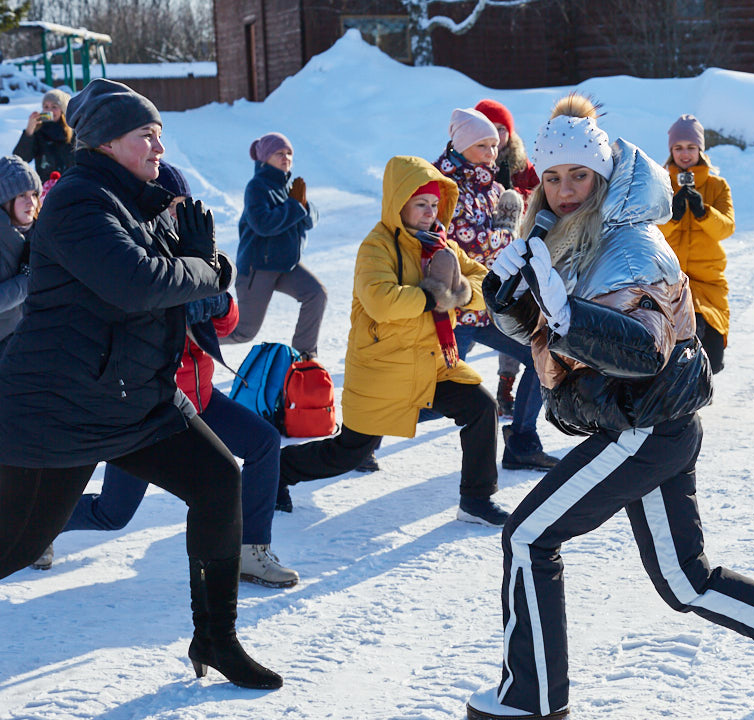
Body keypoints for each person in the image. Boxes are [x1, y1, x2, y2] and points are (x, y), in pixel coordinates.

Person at [465, 95, 754, 720]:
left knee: (528, 535)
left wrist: (563, 314)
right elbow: (550, 342)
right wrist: (510, 302)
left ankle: (533, 696)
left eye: (579, 177)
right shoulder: (570, 236)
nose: (565, 190)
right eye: (552, 177)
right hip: (647, 426)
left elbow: (640, 349)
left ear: (602, 178)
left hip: (644, 424)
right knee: (686, 582)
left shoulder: (630, 246)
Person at [0, 79, 281, 689]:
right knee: (15, 547)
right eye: (145, 135)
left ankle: (217, 638)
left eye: (159, 133)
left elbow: (174, 293)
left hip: (135, 395)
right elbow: (136, 282)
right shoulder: (77, 202)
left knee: (217, 479)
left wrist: (197, 270)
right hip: (56, 407)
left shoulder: (141, 202)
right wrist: (204, 269)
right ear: (105, 142)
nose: (159, 145)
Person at [37, 163, 299, 588]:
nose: (182, 214)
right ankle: (39, 527)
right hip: (150, 407)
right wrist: (180, 297)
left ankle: (251, 551)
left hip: (201, 397)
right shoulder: (136, 255)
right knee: (112, 514)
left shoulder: (194, 248)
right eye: (174, 206)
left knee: (264, 442)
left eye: (186, 205)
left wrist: (216, 299)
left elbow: (228, 326)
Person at [277, 156, 510, 526]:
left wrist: (462, 292)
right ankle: (276, 472)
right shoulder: (377, 247)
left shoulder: (441, 245)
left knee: (480, 406)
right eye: (421, 204)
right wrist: (433, 296)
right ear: (398, 202)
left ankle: (476, 499)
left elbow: (484, 281)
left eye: (435, 204)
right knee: (349, 453)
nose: (430, 212)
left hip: (432, 364)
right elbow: (382, 301)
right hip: (383, 369)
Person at [434, 107, 558, 472]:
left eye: (494, 144)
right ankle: (364, 437)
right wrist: (508, 224)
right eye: (484, 145)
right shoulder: (446, 185)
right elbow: (465, 243)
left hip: (487, 305)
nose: (492, 151)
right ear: (462, 144)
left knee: (541, 355)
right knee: (429, 393)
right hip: (453, 306)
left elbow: (501, 246)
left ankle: (522, 442)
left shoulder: (489, 184)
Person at [224, 132, 326, 357]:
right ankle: (191, 338)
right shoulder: (257, 187)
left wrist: (305, 207)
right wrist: (295, 206)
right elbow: (263, 224)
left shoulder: (287, 187)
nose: (286, 157)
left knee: (316, 294)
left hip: (285, 265)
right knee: (244, 331)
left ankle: (303, 357)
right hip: (258, 268)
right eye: (279, 153)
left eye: (289, 153)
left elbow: (310, 220)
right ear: (264, 158)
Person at [475, 98, 539, 417]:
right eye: (491, 129)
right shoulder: (475, 162)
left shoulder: (520, 162)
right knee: (472, 328)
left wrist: (517, 202)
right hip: (479, 256)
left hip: (515, 254)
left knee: (512, 320)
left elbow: (539, 193)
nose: (498, 137)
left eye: (502, 130)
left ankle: (506, 385)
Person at [658, 114, 734, 374]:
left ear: (700, 149)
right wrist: (672, 217)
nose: (685, 154)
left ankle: (695, 396)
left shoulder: (717, 186)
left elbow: (726, 228)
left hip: (708, 281)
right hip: (669, 279)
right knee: (670, 351)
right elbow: (648, 232)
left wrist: (703, 212)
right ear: (671, 150)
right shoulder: (661, 184)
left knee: (711, 355)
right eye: (678, 148)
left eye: (691, 147)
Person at [0, 156, 40, 361]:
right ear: (6, 200)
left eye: (34, 194)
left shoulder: (41, 235)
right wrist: (27, 281)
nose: (31, 202)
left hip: (28, 343)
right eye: (22, 195)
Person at [13, 88, 75, 182]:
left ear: (62, 110)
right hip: (46, 187)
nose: (49, 111)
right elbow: (20, 159)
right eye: (46, 107)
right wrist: (29, 130)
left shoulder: (72, 133)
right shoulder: (38, 133)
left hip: (71, 184)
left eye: (54, 107)